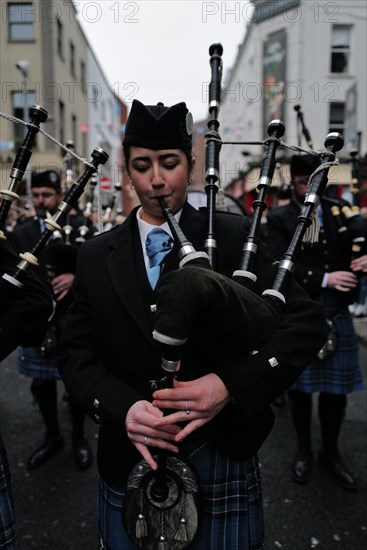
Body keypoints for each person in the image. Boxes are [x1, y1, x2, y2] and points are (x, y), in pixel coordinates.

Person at [57, 100, 328, 549]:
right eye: (142, 165)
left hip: (220, 446)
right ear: (127, 171)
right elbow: (75, 354)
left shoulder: (236, 236)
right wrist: (123, 408)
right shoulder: (94, 254)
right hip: (128, 453)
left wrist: (229, 385)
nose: (157, 179)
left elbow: (304, 323)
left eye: (169, 163)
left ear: (192, 165)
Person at [265, 153, 367, 491]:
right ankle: (304, 449)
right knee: (301, 392)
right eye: (301, 181)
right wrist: (324, 278)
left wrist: (363, 257)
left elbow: (358, 237)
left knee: (335, 394)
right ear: (291, 181)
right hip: (301, 313)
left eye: (315, 181)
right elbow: (277, 262)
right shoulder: (280, 217)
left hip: (336, 312)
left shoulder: (339, 210)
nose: (309, 188)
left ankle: (331, 452)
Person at [9, 170, 93, 471]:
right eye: (36, 195)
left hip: (71, 317)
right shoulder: (21, 231)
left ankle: (79, 438)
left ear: (60, 196)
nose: (41, 201)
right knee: (41, 383)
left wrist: (75, 276)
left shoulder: (81, 226)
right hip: (36, 323)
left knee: (75, 384)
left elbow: (99, 264)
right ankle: (53, 436)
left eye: (47, 194)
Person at [0, 238, 53, 549]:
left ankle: (65, 438)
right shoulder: (22, 227)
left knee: (63, 388)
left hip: (62, 313)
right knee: (41, 384)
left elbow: (35, 298)